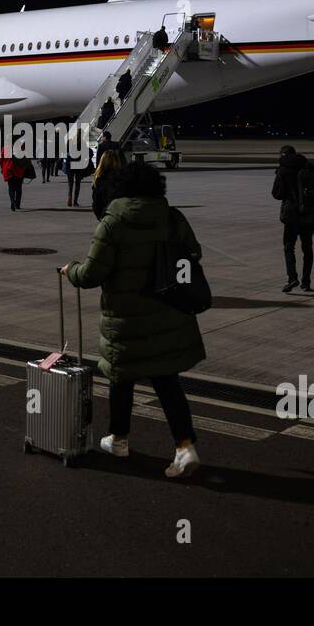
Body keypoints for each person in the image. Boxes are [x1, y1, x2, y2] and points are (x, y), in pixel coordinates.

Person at [60, 161, 205, 479]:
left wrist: (69, 270)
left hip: (126, 318)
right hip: (168, 313)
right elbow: (192, 254)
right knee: (167, 382)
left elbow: (92, 274)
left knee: (121, 378)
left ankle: (119, 439)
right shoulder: (172, 217)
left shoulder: (113, 223)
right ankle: (184, 446)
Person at [271, 145, 314, 292]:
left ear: (282, 155)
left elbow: (276, 194)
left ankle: (292, 278)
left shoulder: (284, 170)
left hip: (291, 215)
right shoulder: (308, 167)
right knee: (307, 248)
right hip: (308, 214)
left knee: (289, 247)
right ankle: (306, 281)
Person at [91, 148, 126, 219]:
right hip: (120, 215)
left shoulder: (99, 179)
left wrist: (100, 217)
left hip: (106, 215)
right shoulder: (122, 177)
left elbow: (96, 202)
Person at [65, 143, 93, 207]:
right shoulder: (83, 143)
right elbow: (89, 152)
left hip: (70, 165)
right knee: (78, 184)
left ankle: (70, 197)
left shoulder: (70, 142)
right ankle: (75, 202)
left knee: (70, 184)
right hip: (79, 165)